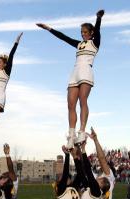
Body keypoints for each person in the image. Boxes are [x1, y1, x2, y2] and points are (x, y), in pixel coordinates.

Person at [36, 10, 104, 149]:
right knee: (70, 105)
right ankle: (71, 134)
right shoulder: (79, 44)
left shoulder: (95, 43)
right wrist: (48, 28)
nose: (83, 34)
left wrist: (98, 18)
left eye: (86, 32)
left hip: (86, 70)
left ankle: (82, 131)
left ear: (91, 33)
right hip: (75, 72)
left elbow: (97, 31)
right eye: (82, 32)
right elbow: (63, 37)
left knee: (83, 100)